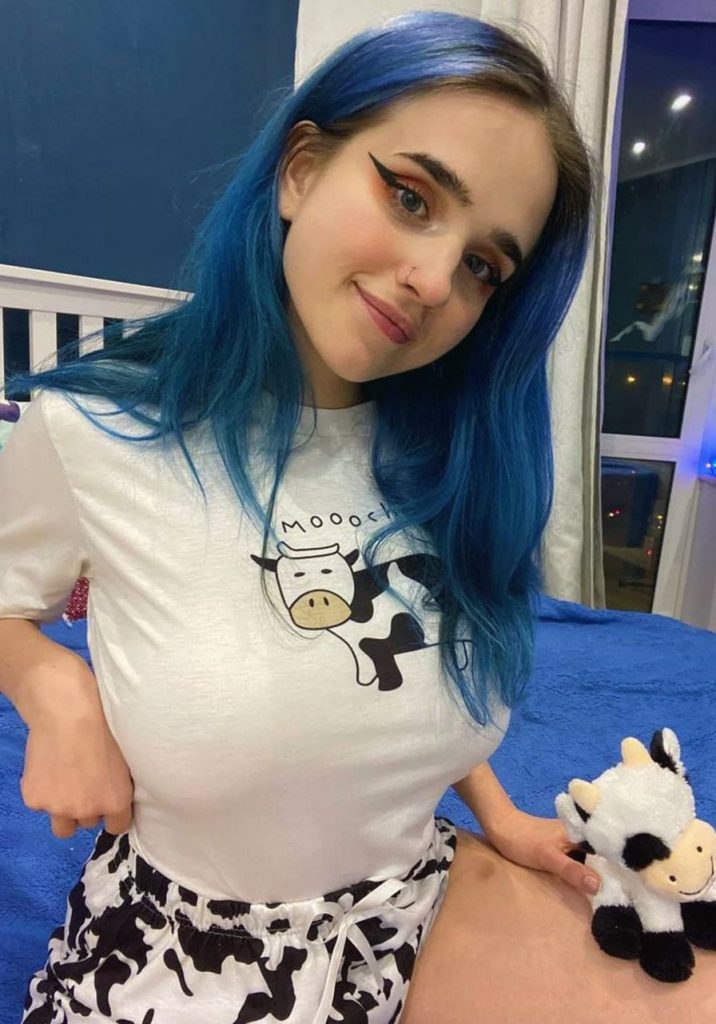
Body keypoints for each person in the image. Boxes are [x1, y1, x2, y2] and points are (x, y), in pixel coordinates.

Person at [5, 9, 710, 1024]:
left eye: (483, 265)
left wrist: (502, 813)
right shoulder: (94, 432)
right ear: (300, 170)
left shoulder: (447, 459)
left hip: (401, 907)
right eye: (411, 196)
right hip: (190, 949)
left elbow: (398, 665)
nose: (433, 281)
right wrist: (52, 686)